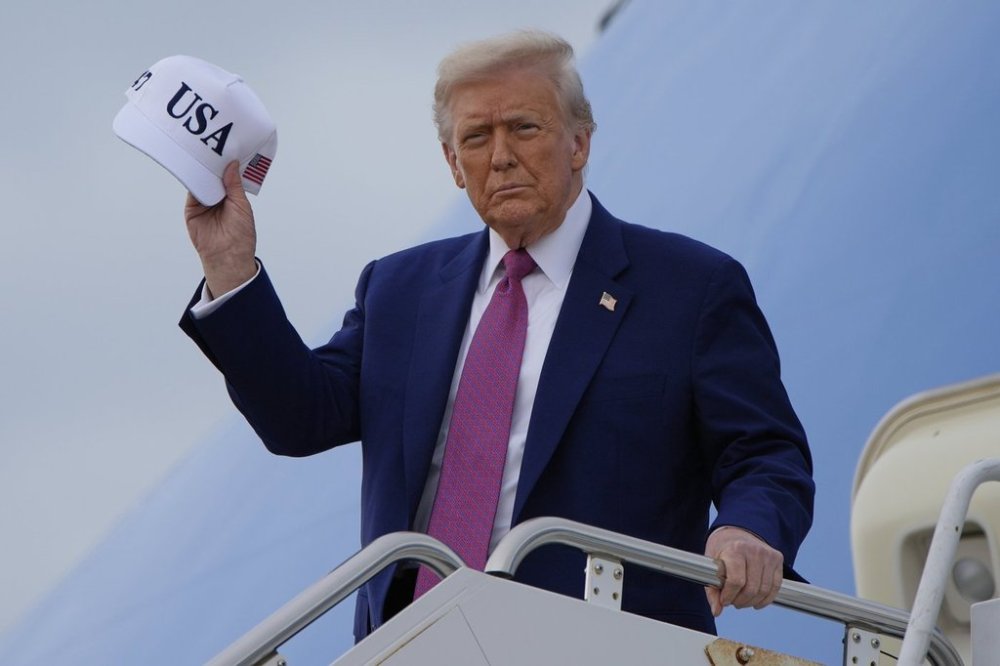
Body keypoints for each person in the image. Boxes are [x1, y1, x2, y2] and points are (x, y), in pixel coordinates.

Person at [180, 30, 813, 641]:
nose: (501, 155)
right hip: (414, 641)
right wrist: (231, 270)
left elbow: (764, 453)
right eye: (477, 137)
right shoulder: (399, 288)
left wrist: (746, 530)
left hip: (606, 641)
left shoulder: (689, 287)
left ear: (579, 143)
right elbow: (301, 418)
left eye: (525, 128)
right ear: (454, 164)